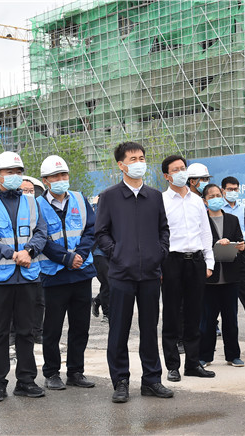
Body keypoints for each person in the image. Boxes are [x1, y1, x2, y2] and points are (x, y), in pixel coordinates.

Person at [95, 141, 173, 403]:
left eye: (141, 158)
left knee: (149, 329)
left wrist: (160, 252)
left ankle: (152, 380)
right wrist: (117, 253)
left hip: (150, 274)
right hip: (121, 275)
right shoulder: (109, 197)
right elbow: (101, 233)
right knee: (119, 330)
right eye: (133, 159)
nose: (139, 163)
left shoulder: (155, 196)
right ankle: (120, 381)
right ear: (121, 165)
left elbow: (164, 229)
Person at [0, 151, 47, 402]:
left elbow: (41, 232)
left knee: (27, 332)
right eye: (9, 172)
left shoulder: (32, 202)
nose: (15, 176)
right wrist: (13, 254)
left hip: (28, 278)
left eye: (18, 172)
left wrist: (29, 251)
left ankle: (26, 381)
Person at [36, 155, 97, 391]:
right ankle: (52, 373)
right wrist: (65, 258)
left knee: (80, 327)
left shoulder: (80, 199)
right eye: (55, 176)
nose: (61, 179)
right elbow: (40, 238)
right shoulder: (37, 205)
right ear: (45, 180)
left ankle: (76, 372)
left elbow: (91, 230)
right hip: (54, 275)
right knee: (52, 329)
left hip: (81, 273)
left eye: (64, 175)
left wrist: (79, 254)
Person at [161, 155, 216, 382]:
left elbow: (205, 232)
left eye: (183, 168)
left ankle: (193, 363)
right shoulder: (161, 200)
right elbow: (158, 235)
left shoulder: (196, 201)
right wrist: (159, 266)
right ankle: (172, 365)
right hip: (171, 261)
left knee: (195, 314)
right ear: (167, 176)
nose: (181, 172)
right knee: (172, 315)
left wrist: (209, 262)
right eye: (176, 170)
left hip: (196, 261)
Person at [199, 183, 245, 367]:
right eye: (211, 197)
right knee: (208, 320)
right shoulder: (201, 221)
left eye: (218, 195)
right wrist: (216, 245)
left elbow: (240, 243)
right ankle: (205, 356)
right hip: (209, 278)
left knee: (231, 319)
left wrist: (239, 246)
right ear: (205, 201)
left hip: (230, 276)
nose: (216, 199)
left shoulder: (232, 220)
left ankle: (233, 355)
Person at [221, 176, 245, 339]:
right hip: (222, 254)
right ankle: (215, 325)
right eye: (230, 189)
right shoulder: (217, 209)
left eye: (236, 189)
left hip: (242, 254)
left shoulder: (244, 208)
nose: (233, 192)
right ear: (223, 190)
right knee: (219, 293)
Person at [19, 178, 45, 344]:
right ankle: (14, 334)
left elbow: (41, 233)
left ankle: (37, 332)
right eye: (25, 190)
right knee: (17, 305)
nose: (29, 194)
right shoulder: (14, 210)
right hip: (15, 263)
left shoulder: (36, 208)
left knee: (39, 302)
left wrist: (30, 250)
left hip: (36, 264)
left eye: (31, 191)